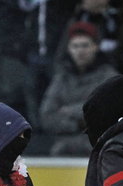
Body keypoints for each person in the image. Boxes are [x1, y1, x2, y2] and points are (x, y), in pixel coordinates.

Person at [39, 21, 117, 156]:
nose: (80, 51)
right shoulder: (61, 78)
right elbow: (46, 116)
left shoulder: (109, 77)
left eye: (85, 46)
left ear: (95, 47)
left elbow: (109, 113)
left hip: (100, 145)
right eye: (75, 46)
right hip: (62, 145)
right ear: (69, 49)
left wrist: (68, 111)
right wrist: (78, 124)